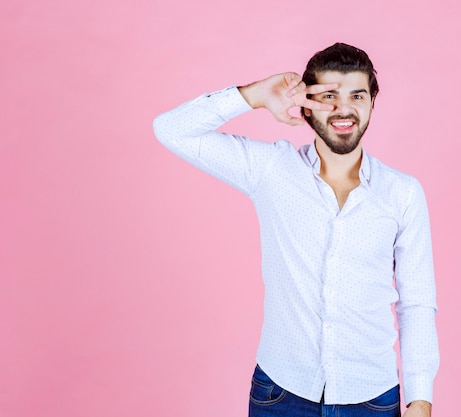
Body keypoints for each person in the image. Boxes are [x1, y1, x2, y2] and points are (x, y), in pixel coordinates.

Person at [153, 43, 439, 417]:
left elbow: (416, 302)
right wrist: (254, 96)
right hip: (281, 394)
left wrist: (420, 399)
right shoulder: (272, 169)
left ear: (371, 103)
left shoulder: (403, 193)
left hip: (371, 397)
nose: (344, 108)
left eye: (357, 94)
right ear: (305, 106)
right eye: (328, 96)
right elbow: (172, 130)